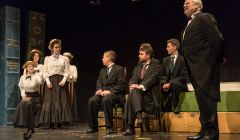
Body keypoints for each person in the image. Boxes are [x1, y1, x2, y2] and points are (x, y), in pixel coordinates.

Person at [181, 0, 224, 139]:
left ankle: (212, 133)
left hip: (205, 66)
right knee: (202, 100)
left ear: (197, 6)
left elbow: (217, 39)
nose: (184, 5)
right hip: (194, 68)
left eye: (188, 2)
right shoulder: (189, 23)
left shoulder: (204, 17)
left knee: (208, 99)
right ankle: (204, 131)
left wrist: (216, 59)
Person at [123, 43, 161, 136]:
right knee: (133, 92)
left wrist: (141, 86)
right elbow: (132, 78)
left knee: (132, 95)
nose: (139, 56)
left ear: (148, 55)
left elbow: (153, 78)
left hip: (149, 97)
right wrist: (132, 85)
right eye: (139, 54)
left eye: (141, 54)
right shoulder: (139, 65)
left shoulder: (156, 64)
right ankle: (139, 117)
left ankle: (130, 127)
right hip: (138, 97)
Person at [85, 50, 126, 135]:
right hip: (103, 93)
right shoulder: (102, 71)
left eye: (103, 57)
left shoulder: (119, 69)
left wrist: (110, 91)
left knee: (106, 100)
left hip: (115, 94)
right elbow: (99, 82)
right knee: (92, 101)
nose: (102, 59)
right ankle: (93, 127)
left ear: (108, 58)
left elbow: (121, 85)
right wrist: (99, 90)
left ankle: (109, 127)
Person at [39, 39, 72, 129]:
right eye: (56, 47)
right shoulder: (47, 58)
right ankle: (51, 122)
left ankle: (60, 122)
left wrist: (64, 80)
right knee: (51, 101)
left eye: (59, 47)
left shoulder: (64, 58)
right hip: (51, 81)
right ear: (52, 49)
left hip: (61, 80)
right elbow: (45, 71)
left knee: (61, 101)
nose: (58, 49)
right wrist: (48, 81)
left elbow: (67, 71)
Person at [14, 61, 42, 140]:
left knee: (29, 104)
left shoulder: (36, 76)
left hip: (35, 97)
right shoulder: (23, 77)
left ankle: (30, 126)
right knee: (22, 104)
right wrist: (23, 96)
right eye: (29, 66)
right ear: (26, 68)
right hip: (26, 96)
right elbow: (22, 87)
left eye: (32, 66)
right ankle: (25, 124)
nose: (31, 67)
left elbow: (41, 82)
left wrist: (40, 75)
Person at [160, 39, 188, 114]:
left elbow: (184, 76)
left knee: (174, 84)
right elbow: (162, 75)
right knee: (157, 85)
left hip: (179, 84)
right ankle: (162, 107)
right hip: (167, 84)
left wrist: (170, 83)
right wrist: (164, 83)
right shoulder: (165, 60)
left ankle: (176, 106)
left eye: (168, 46)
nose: (166, 48)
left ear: (175, 47)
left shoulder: (182, 59)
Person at [63, 52, 79, 122]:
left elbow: (74, 78)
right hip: (62, 86)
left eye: (68, 58)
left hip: (70, 87)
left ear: (70, 59)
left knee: (71, 101)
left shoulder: (73, 67)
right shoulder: (61, 67)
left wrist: (69, 78)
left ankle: (70, 119)